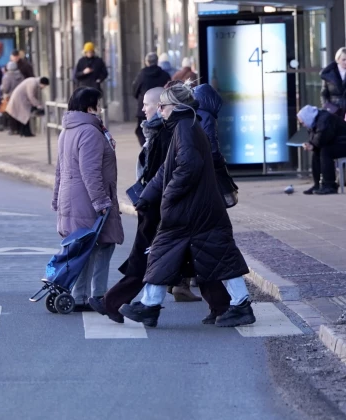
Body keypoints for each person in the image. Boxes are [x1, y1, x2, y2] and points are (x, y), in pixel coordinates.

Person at [118, 82, 255, 329]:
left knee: (175, 252)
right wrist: (148, 194)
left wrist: (168, 196)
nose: (159, 110)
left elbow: (188, 167)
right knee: (211, 255)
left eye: (163, 106)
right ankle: (151, 305)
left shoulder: (186, 128)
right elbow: (167, 169)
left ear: (176, 106)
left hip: (191, 209)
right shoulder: (183, 125)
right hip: (196, 208)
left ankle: (151, 306)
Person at [52, 87, 123, 311]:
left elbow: (59, 170)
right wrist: (101, 202)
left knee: (85, 248)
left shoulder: (69, 130)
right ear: (90, 106)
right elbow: (90, 172)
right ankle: (96, 295)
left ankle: (82, 295)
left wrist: (56, 198)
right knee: (101, 246)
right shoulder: (90, 132)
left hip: (72, 197)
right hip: (87, 199)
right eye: (98, 103)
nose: (101, 108)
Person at [194, 83, 239, 208]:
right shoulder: (207, 116)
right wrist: (219, 160)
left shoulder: (194, 111)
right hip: (207, 165)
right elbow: (211, 142)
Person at [298, 104, 346, 195]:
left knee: (325, 151)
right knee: (318, 152)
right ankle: (318, 184)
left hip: (343, 143)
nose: (303, 124)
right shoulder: (314, 121)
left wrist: (312, 145)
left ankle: (329, 185)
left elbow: (323, 136)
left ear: (307, 117)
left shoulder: (324, 119)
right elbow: (316, 138)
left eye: (302, 122)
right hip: (339, 143)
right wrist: (311, 144)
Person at [132, 52, 171, 146]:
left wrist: (141, 99)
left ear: (146, 62)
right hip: (162, 108)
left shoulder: (142, 74)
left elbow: (135, 90)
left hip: (144, 107)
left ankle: (146, 148)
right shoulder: (165, 75)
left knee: (141, 130)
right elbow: (170, 90)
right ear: (157, 61)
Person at [320, 47, 346, 118]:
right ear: (337, 60)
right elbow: (324, 94)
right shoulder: (328, 74)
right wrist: (328, 107)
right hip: (334, 111)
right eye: (343, 60)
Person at [1, 61, 25, 135]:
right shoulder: (21, 75)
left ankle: (13, 129)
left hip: (10, 96)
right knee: (19, 112)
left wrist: (2, 89)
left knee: (11, 113)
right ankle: (19, 128)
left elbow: (5, 88)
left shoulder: (7, 76)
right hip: (20, 96)